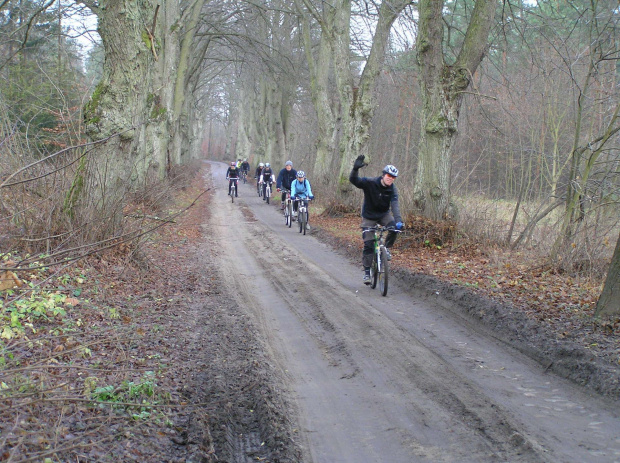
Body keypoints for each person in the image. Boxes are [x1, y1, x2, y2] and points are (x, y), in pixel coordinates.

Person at [349, 155, 404, 285]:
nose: (390, 179)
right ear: (383, 175)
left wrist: (398, 220)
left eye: (393, 177)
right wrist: (355, 169)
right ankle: (367, 272)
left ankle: (386, 248)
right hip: (368, 216)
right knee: (368, 244)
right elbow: (354, 181)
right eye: (389, 176)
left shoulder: (392, 189)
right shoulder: (371, 183)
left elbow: (395, 205)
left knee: (393, 228)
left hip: (383, 215)